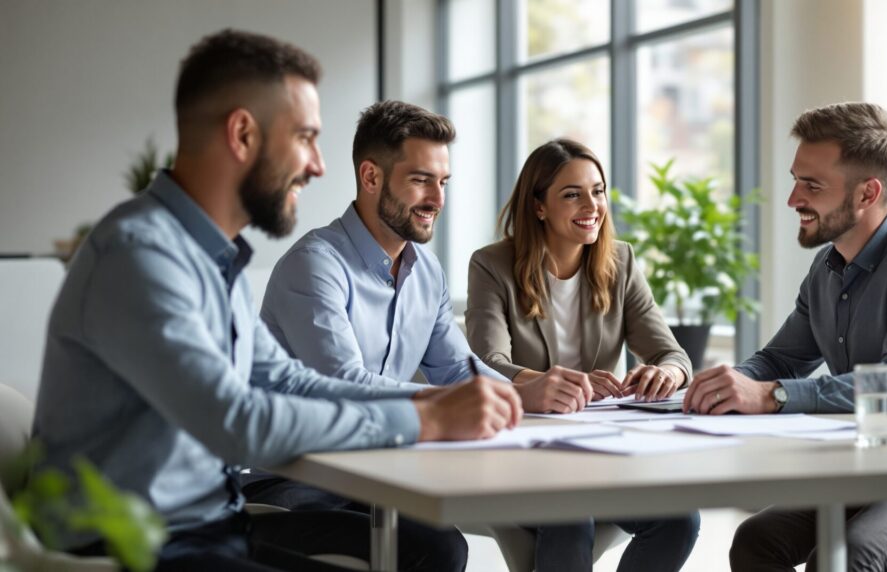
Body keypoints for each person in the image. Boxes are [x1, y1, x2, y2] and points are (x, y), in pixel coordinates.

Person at [32, 29, 521, 572]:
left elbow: (286, 379)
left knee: (430, 547)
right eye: (306, 137)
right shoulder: (140, 254)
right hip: (130, 544)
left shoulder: (211, 257)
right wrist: (422, 422)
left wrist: (425, 404)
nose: (318, 165)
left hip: (210, 525)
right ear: (242, 134)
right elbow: (237, 419)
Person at [679, 102, 887, 571]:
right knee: (755, 540)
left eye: (812, 185)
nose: (792, 199)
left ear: (868, 193)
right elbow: (780, 361)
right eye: (795, 179)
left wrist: (770, 396)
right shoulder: (827, 268)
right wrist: (722, 385)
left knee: (851, 556)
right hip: (868, 466)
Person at [250, 99, 506, 562]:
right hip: (293, 478)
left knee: (443, 546)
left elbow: (456, 368)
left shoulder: (425, 271)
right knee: (428, 550)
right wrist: (452, 406)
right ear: (371, 177)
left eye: (443, 182)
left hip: (378, 470)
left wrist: (526, 396)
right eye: (420, 180)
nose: (438, 199)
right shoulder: (315, 265)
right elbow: (344, 384)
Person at [465, 138, 700, 572]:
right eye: (572, 194)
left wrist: (666, 372)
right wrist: (549, 382)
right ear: (538, 206)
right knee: (570, 517)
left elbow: (673, 354)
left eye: (597, 190)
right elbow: (486, 364)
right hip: (523, 451)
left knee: (679, 519)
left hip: (598, 453)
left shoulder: (621, 262)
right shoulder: (491, 265)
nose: (591, 204)